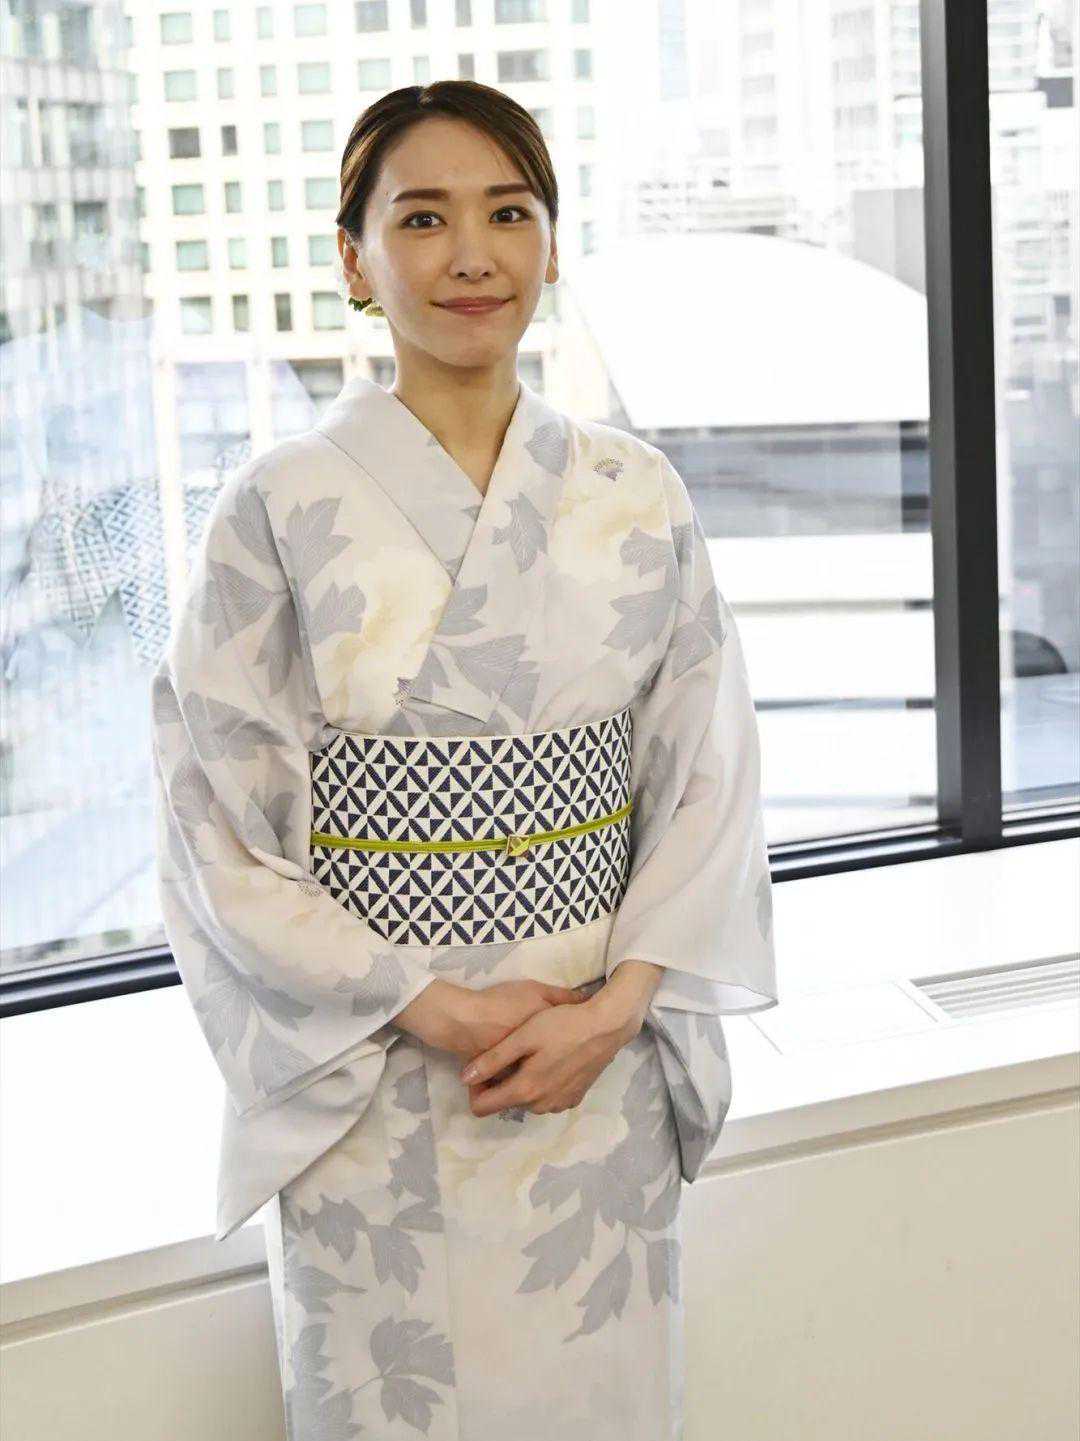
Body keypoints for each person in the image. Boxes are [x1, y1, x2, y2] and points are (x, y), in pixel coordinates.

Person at [150, 78, 778, 1441]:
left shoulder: (635, 491)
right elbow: (216, 824)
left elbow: (708, 776)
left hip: (595, 1067)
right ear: (356, 258)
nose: (472, 255)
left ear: (550, 242)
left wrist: (619, 1007)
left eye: (508, 212)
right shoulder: (278, 505)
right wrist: (427, 1006)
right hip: (379, 1075)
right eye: (423, 218)